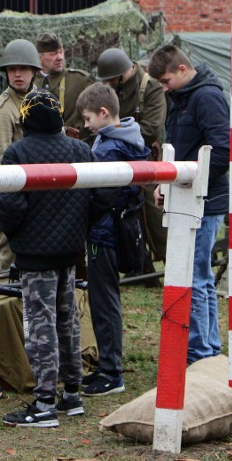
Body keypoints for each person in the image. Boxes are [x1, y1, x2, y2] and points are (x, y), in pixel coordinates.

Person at [0, 88, 106, 427]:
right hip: (70, 251)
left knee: (40, 323)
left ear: (25, 119)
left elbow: (10, 207)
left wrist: (17, 238)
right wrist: (78, 230)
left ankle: (44, 402)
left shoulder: (17, 153)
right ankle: (71, 394)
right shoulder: (80, 150)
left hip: (34, 254)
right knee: (68, 319)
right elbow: (98, 197)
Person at [147, 45, 230, 365]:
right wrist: (168, 183)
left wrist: (183, 182)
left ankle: (198, 352)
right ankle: (208, 348)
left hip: (204, 201)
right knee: (200, 275)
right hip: (189, 196)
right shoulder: (182, 98)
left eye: (166, 81)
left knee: (195, 275)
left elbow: (221, 151)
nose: (164, 88)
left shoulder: (206, 98)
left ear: (183, 69)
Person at [75, 83, 149, 397]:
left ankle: (110, 372)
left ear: (104, 113)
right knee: (107, 298)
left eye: (88, 118)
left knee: (104, 301)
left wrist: (84, 220)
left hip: (103, 233)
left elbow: (100, 193)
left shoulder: (107, 148)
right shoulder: (131, 136)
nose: (86, 124)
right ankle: (109, 366)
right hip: (119, 228)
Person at [96, 47, 168, 273]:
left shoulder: (150, 87)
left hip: (145, 158)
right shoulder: (110, 89)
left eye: (110, 79)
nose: (107, 83)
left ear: (120, 73)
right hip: (118, 160)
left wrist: (115, 134)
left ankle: (170, 264)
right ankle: (139, 267)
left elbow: (152, 128)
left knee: (155, 220)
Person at [0, 38, 42, 274]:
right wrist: (6, 209)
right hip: (16, 199)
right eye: (12, 69)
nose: (17, 74)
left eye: (23, 68)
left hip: (42, 197)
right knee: (9, 270)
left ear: (34, 71)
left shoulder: (41, 101)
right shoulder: (1, 112)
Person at [34, 33, 93, 139]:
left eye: (61, 52)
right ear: (39, 57)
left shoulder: (80, 80)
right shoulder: (30, 83)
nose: (60, 57)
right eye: (53, 54)